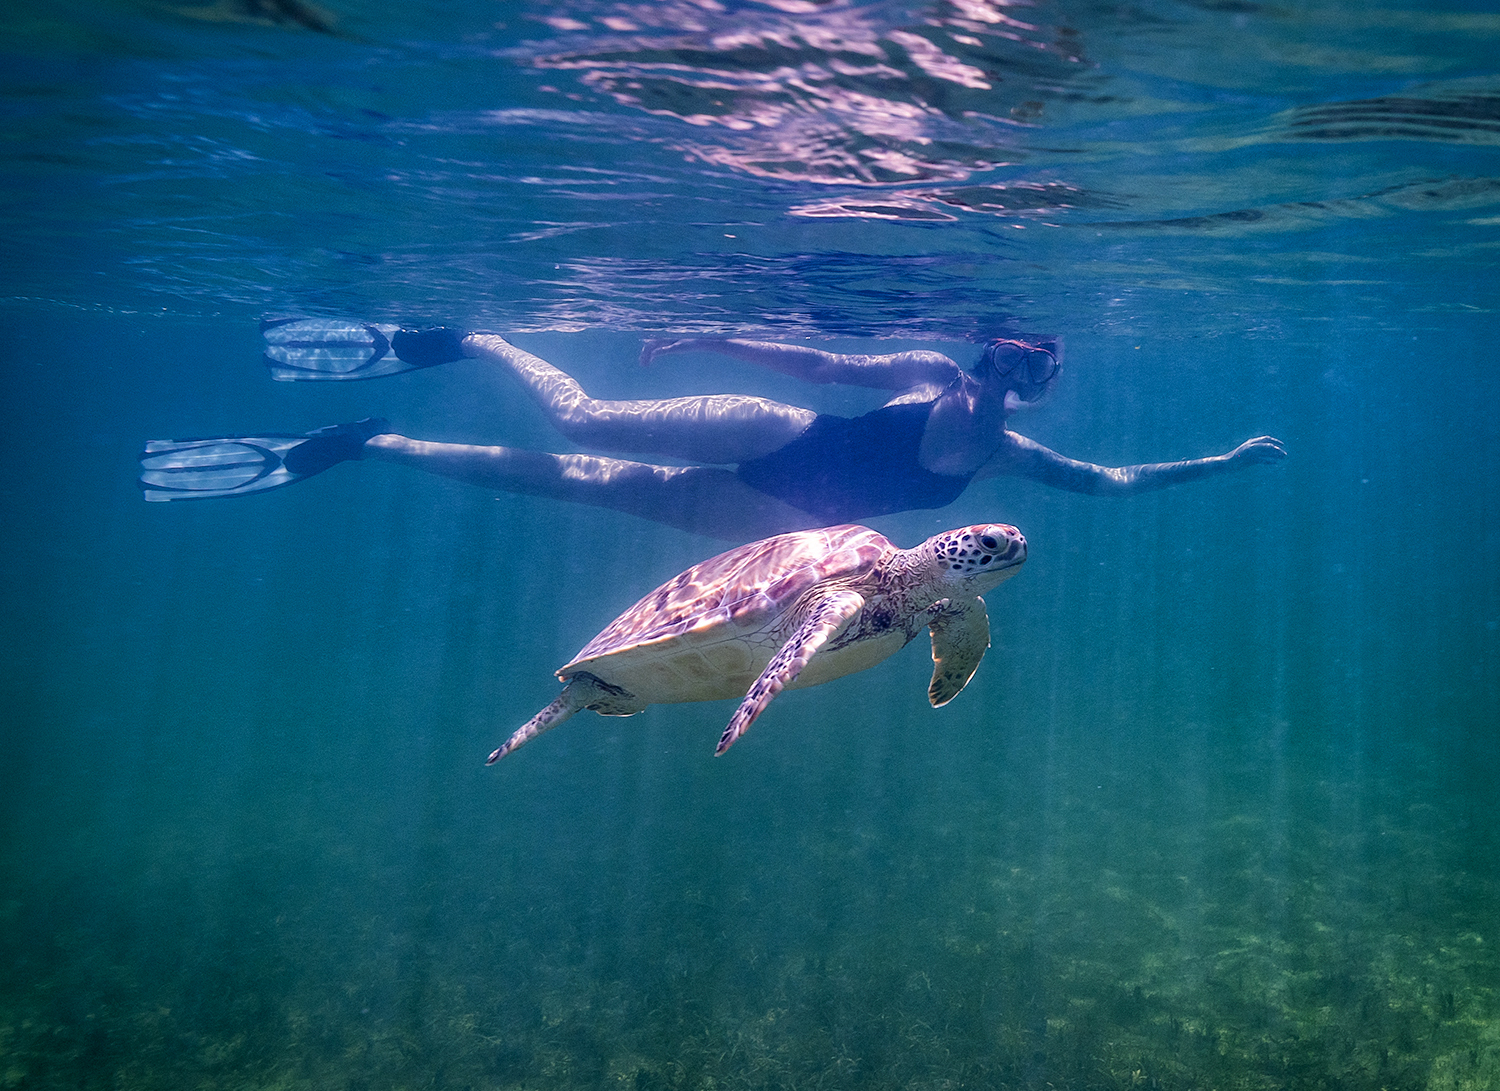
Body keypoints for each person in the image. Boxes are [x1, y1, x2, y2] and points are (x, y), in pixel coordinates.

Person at [139, 320, 1286, 540]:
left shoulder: (1012, 449)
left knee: (562, 477)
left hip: (761, 510)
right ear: (978, 353)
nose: (995, 375)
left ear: (1033, 385)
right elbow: (826, 364)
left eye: (1020, 368)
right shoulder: (929, 366)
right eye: (995, 353)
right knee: (581, 414)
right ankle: (476, 338)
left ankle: (369, 441)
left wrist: (1223, 461)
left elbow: (1116, 482)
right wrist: (712, 332)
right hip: (761, 422)